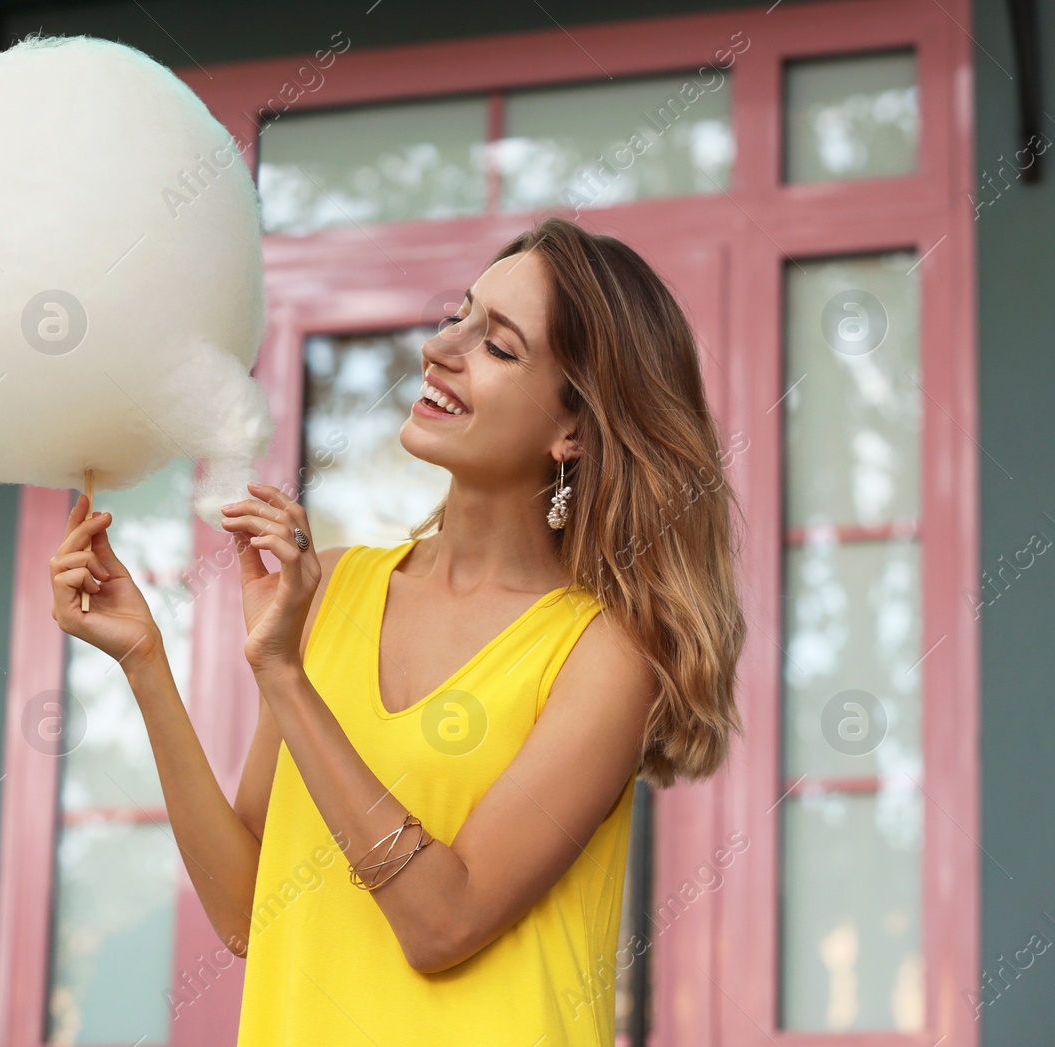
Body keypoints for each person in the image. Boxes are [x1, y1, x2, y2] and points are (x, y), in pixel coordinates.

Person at [48, 215, 746, 1045]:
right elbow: (246, 913)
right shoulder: (335, 585)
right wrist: (144, 662)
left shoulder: (606, 654)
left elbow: (442, 922)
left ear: (576, 431)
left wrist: (285, 678)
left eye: (500, 346)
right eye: (461, 313)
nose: (443, 347)